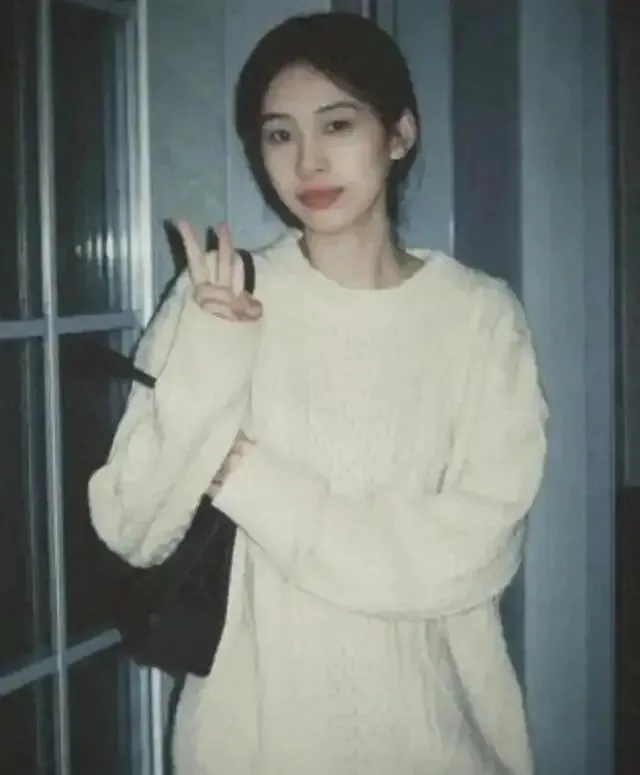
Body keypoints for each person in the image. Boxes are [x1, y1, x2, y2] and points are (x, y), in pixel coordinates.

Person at [89, 11, 548, 775]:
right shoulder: (219, 297)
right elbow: (133, 527)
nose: (308, 160)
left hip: (438, 741)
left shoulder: (479, 318)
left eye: (337, 124)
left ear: (399, 134)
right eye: (279, 134)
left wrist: (251, 479)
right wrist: (211, 351)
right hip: (253, 748)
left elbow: (474, 551)